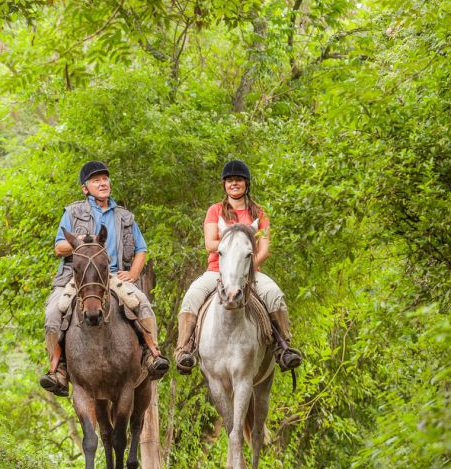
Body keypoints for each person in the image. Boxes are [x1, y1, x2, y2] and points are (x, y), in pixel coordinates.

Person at [39, 161, 169, 397]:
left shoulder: (125, 217)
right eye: (96, 180)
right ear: (85, 188)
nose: (103, 183)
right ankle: (57, 370)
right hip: (78, 278)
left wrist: (134, 273)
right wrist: (79, 240)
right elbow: (59, 247)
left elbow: (141, 249)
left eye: (105, 179)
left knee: (142, 305)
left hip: (112, 276)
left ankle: (153, 356)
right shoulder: (72, 212)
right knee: (53, 313)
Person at [174, 159, 304, 374]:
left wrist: (246, 267)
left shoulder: (259, 213)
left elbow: (264, 249)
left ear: (246, 184)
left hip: (250, 272)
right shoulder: (214, 211)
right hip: (216, 271)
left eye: (239, 180)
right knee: (191, 296)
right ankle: (184, 349)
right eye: (230, 181)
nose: (234, 184)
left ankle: (284, 348)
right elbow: (209, 244)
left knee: (274, 294)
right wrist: (234, 248)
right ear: (224, 184)